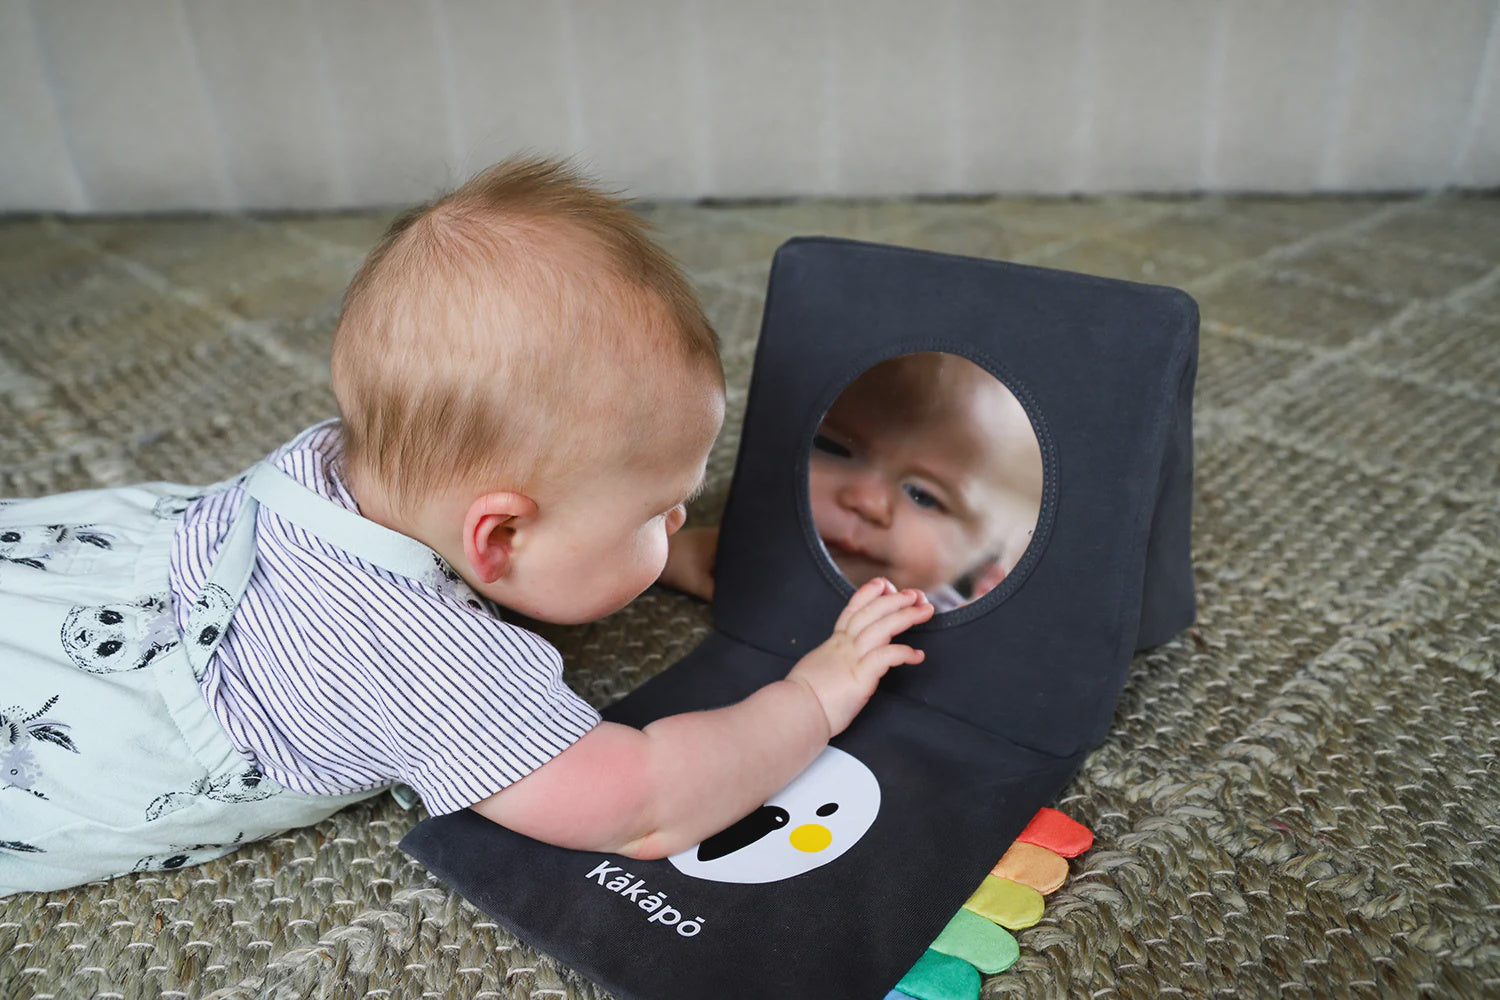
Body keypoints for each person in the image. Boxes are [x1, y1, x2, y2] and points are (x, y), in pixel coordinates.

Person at [0, 157, 933, 897]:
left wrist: (667, 555)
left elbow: (547, 555)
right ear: (496, 540)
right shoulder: (426, 660)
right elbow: (645, 803)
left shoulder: (337, 462)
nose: (685, 514)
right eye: (659, 510)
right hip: (86, 718)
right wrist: (816, 696)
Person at [667, 352, 1043, 613]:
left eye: (924, 496)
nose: (866, 501)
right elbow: (653, 558)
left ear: (982, 556)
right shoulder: (751, 556)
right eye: (834, 447)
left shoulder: (945, 611)